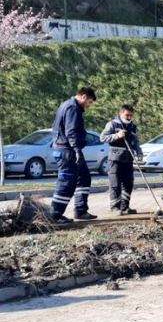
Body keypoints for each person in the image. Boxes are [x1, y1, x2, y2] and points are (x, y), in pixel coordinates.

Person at [50, 86, 97, 223]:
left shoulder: (67, 105)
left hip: (68, 149)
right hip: (67, 151)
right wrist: (76, 149)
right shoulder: (72, 108)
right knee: (67, 182)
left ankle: (80, 210)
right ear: (83, 96)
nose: (89, 106)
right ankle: (55, 215)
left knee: (84, 178)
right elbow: (71, 131)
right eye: (89, 102)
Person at [100, 104, 143, 215]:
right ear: (121, 113)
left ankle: (125, 207)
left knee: (128, 183)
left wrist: (139, 152)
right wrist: (117, 135)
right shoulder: (112, 124)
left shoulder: (132, 126)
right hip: (115, 159)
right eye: (127, 115)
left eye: (131, 115)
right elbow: (103, 138)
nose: (129, 117)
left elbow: (135, 141)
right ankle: (115, 207)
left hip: (128, 159)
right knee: (115, 183)